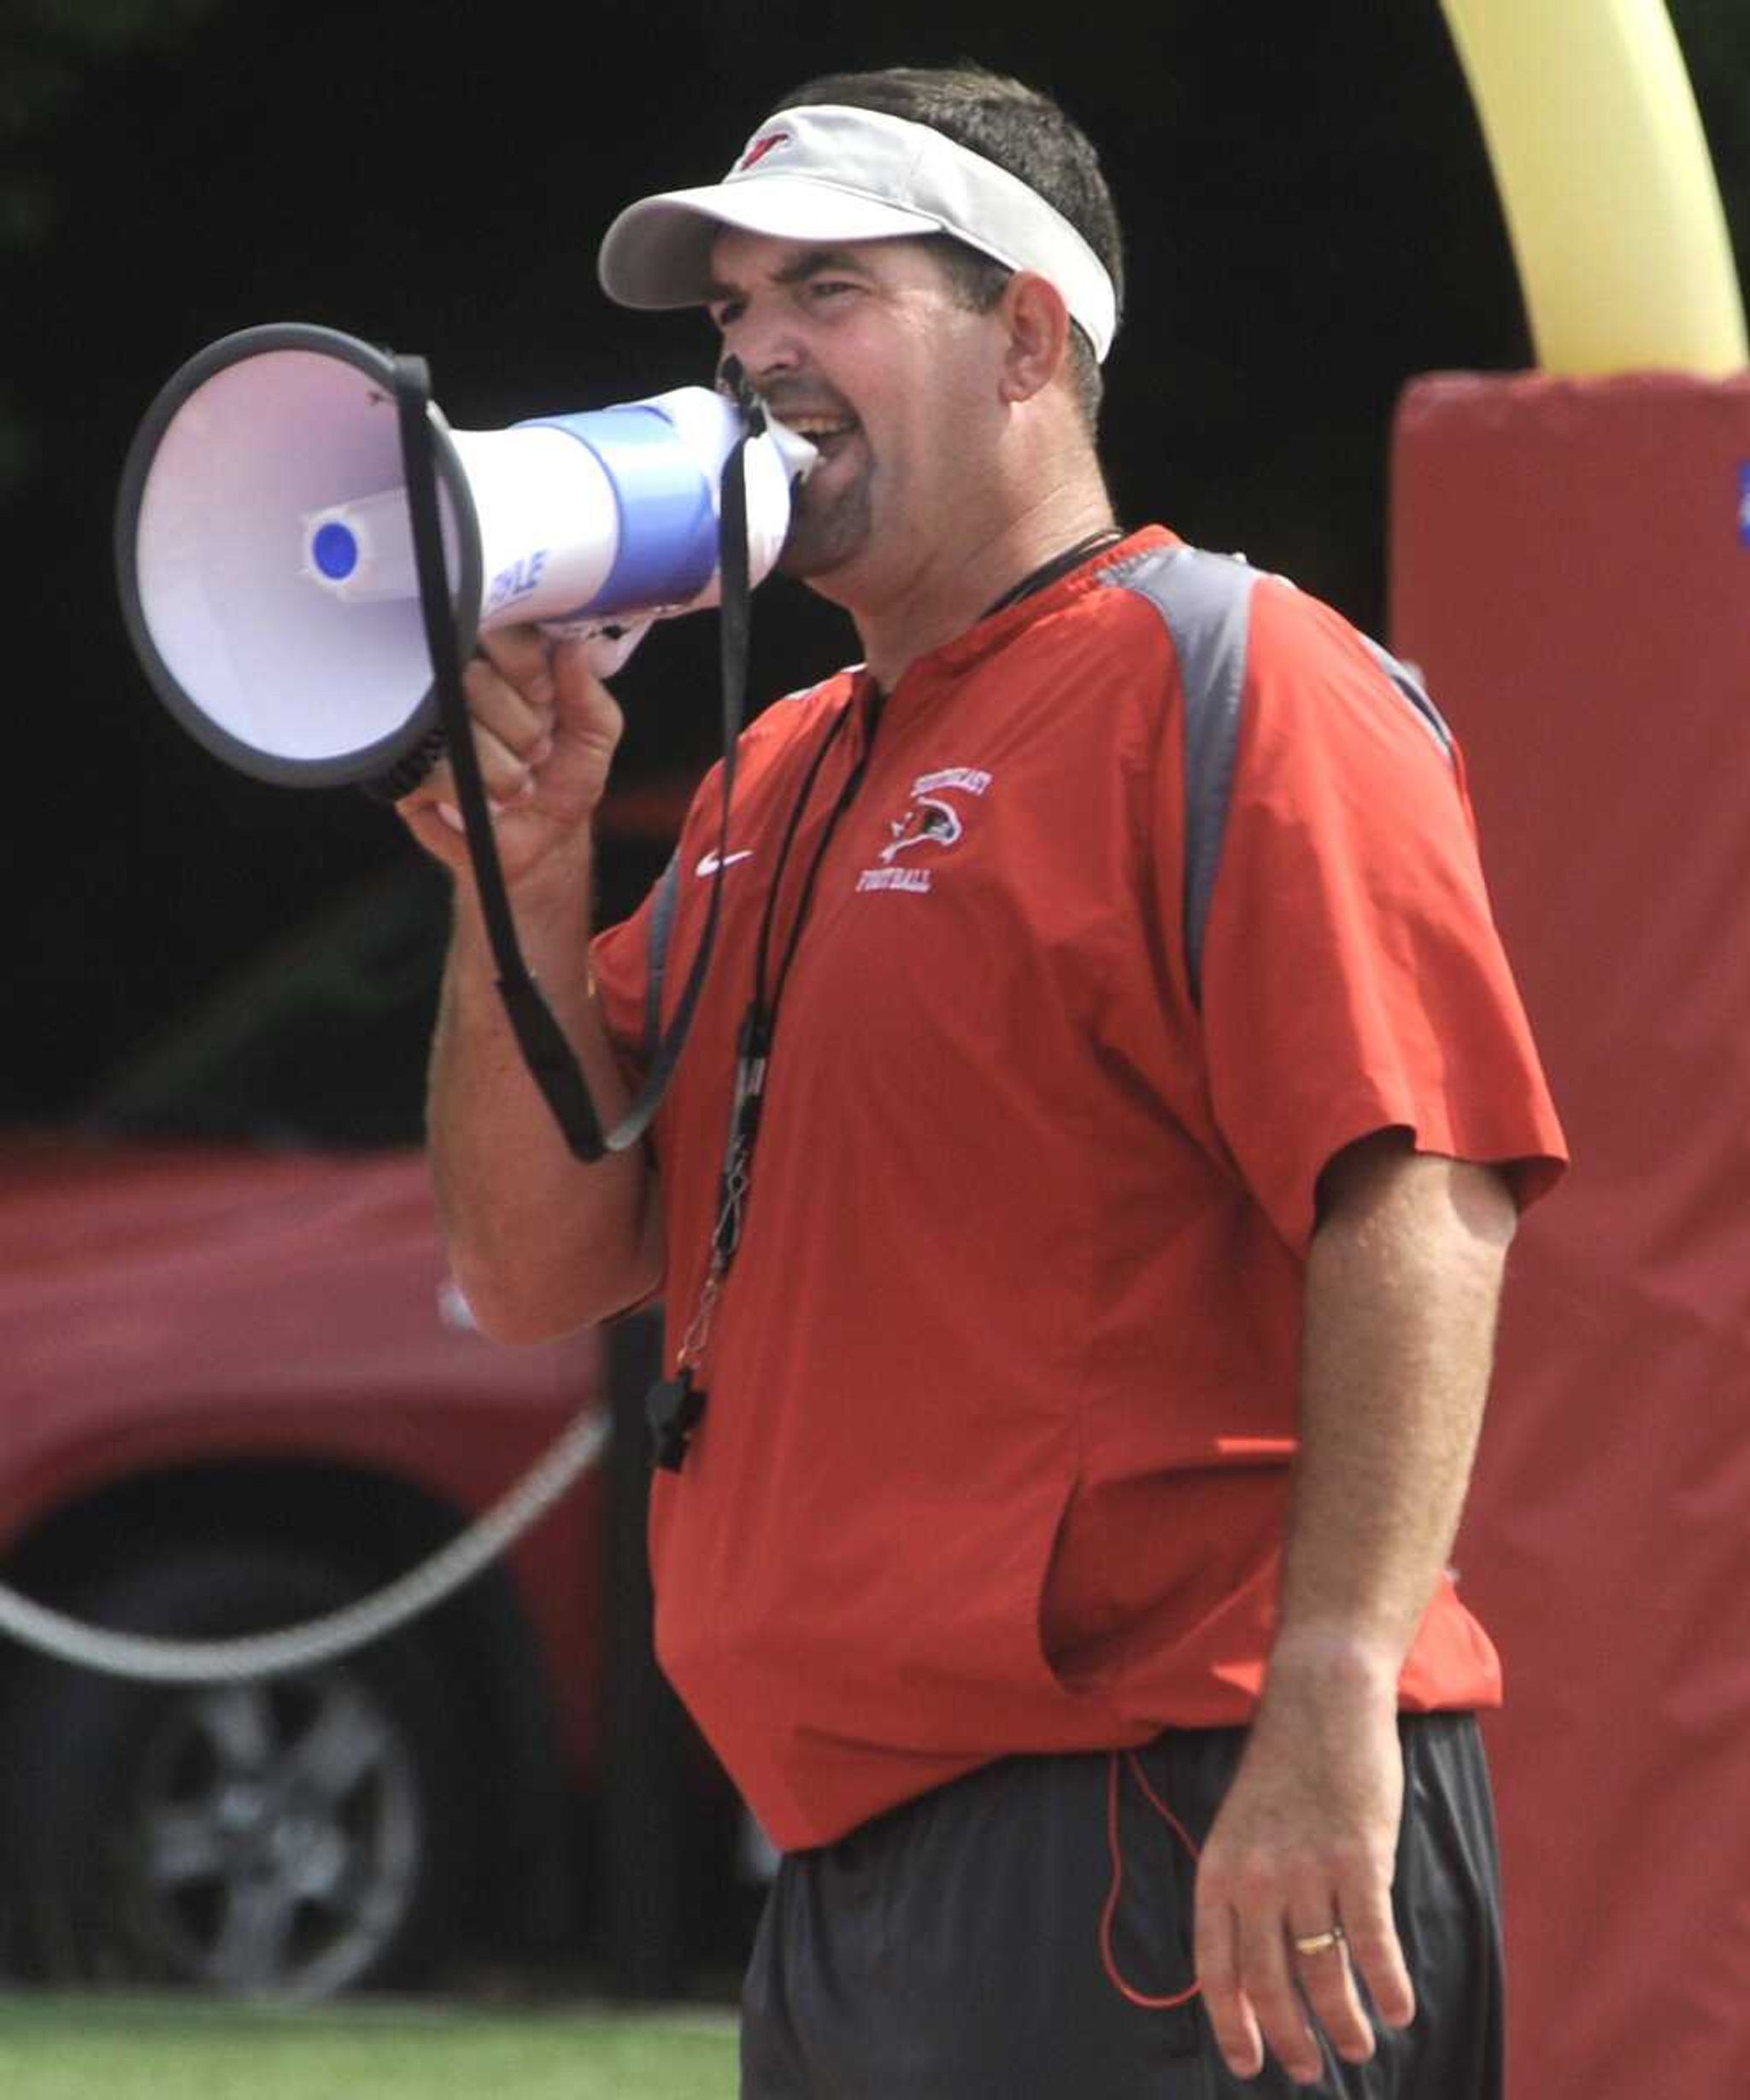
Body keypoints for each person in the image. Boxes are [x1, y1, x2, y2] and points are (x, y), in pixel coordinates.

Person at [397, 63, 1566, 2097]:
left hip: (1173, 1803)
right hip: (866, 1854)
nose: (758, 353)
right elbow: (530, 1262)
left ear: (1029, 330)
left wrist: (1328, 1695)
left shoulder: (1237, 671)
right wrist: (522, 863)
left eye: (829, 289)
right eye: (732, 311)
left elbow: (1421, 1193)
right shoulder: (783, 768)